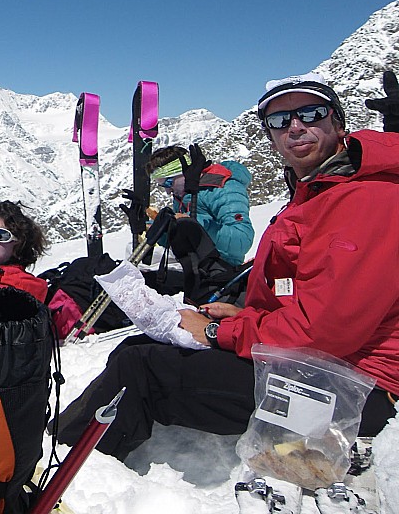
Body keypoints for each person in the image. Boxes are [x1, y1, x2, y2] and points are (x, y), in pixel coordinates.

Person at [57, 72, 399, 461]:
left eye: (311, 112)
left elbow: (325, 332)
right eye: (280, 120)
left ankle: (60, 480)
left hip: (355, 394)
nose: (295, 127)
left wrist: (220, 332)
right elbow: (307, 298)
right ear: (269, 134)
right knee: (138, 348)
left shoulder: (366, 199)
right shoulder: (319, 191)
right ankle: (65, 455)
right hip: (323, 369)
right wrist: (243, 316)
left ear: (337, 121)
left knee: (141, 370)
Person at [146, 143, 254, 266]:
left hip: (221, 267)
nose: (168, 191)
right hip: (194, 264)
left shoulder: (223, 188)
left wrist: (195, 224)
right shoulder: (183, 195)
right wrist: (159, 231)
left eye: (169, 182)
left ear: (184, 172)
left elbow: (242, 241)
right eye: (163, 186)